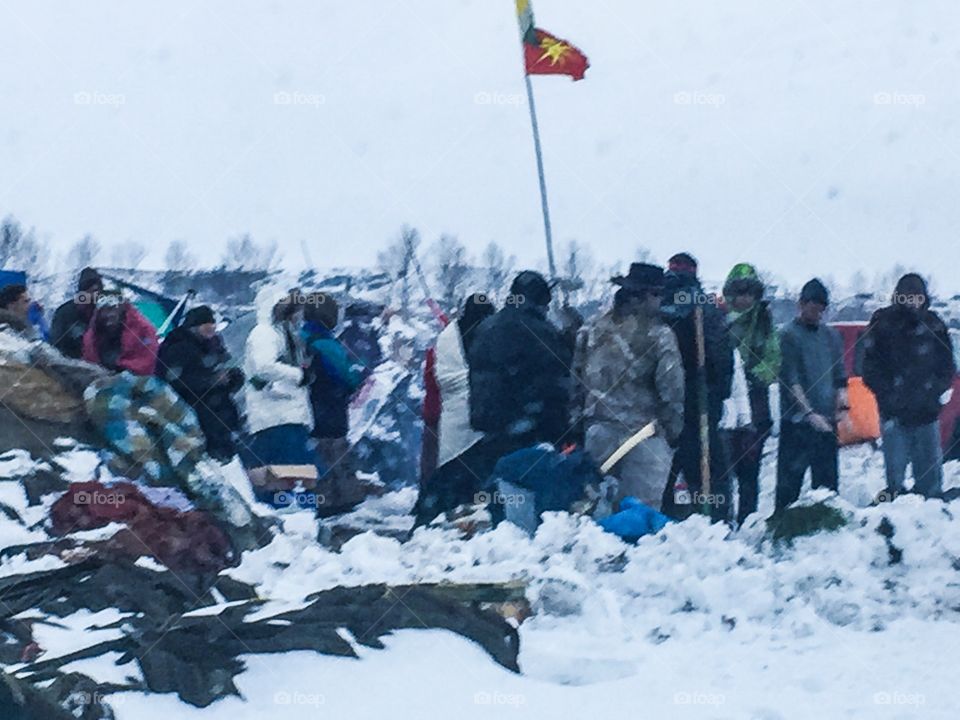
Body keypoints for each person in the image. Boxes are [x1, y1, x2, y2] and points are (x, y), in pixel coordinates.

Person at [573, 263, 684, 509]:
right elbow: (672, 389)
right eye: (656, 294)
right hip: (643, 435)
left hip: (597, 431)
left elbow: (576, 378)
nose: (660, 301)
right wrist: (673, 431)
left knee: (597, 507)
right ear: (639, 296)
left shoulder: (591, 327)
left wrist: (579, 420)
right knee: (640, 512)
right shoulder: (660, 334)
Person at [862, 274, 955, 500]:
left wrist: (935, 390)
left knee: (930, 478)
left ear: (924, 298)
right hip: (894, 414)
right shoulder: (882, 323)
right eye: (908, 297)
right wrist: (889, 395)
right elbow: (868, 366)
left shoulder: (934, 324)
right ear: (898, 297)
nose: (913, 302)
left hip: (926, 412)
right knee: (895, 478)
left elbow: (947, 364)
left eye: (917, 297)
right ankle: (894, 515)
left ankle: (929, 515)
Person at [659, 253, 734, 522]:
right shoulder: (704, 305)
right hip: (698, 398)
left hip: (660, 403)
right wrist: (718, 395)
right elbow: (721, 355)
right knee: (708, 469)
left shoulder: (656, 303)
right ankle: (715, 520)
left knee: (663, 466)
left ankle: (662, 517)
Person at [468, 271, 573, 460]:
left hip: (488, 427)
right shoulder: (540, 331)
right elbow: (562, 376)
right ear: (540, 301)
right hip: (530, 428)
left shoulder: (485, 327)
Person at [414, 293, 495, 525]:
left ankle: (435, 513)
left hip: (448, 416)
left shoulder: (445, 340)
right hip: (483, 416)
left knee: (449, 470)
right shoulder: (491, 335)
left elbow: (433, 380)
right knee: (477, 474)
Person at [239, 286, 318, 504]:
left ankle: (296, 511)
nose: (295, 315)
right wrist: (298, 375)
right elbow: (264, 367)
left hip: (287, 414)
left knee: (295, 472)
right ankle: (288, 511)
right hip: (275, 415)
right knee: (284, 473)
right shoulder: (264, 333)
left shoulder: (283, 333)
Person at [775, 278, 848, 511]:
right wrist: (808, 413)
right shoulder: (788, 335)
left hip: (827, 423)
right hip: (796, 424)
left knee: (827, 490)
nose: (817, 314)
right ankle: (783, 527)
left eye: (821, 310)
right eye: (812, 308)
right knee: (789, 487)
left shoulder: (831, 336)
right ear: (801, 304)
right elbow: (791, 381)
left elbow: (839, 377)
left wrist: (841, 408)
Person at [722, 263, 781, 524]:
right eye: (739, 292)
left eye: (749, 292)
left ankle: (748, 518)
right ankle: (720, 518)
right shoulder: (718, 320)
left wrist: (752, 376)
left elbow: (773, 358)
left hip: (755, 401)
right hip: (725, 400)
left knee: (749, 467)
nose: (744, 298)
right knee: (722, 466)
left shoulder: (765, 323)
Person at [157, 305, 244, 462]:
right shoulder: (177, 347)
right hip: (193, 414)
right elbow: (174, 381)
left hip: (221, 414)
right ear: (194, 326)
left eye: (212, 324)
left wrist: (232, 378)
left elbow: (229, 368)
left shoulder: (214, 345)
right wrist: (211, 381)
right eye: (206, 324)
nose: (211, 328)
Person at [301, 292, 366, 479]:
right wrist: (356, 377)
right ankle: (335, 498)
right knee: (334, 461)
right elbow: (347, 377)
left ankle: (315, 496)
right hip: (331, 411)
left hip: (307, 412)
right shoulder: (327, 344)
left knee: (314, 461)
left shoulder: (298, 338)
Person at [82, 291, 159, 376]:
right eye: (105, 310)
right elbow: (89, 361)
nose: (110, 314)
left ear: (122, 308)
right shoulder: (92, 335)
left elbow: (149, 361)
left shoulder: (143, 330)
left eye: (113, 308)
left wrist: (121, 368)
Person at [50, 267, 103, 359]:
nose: (96, 295)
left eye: (98, 291)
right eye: (93, 291)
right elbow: (56, 343)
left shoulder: (102, 312)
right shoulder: (64, 312)